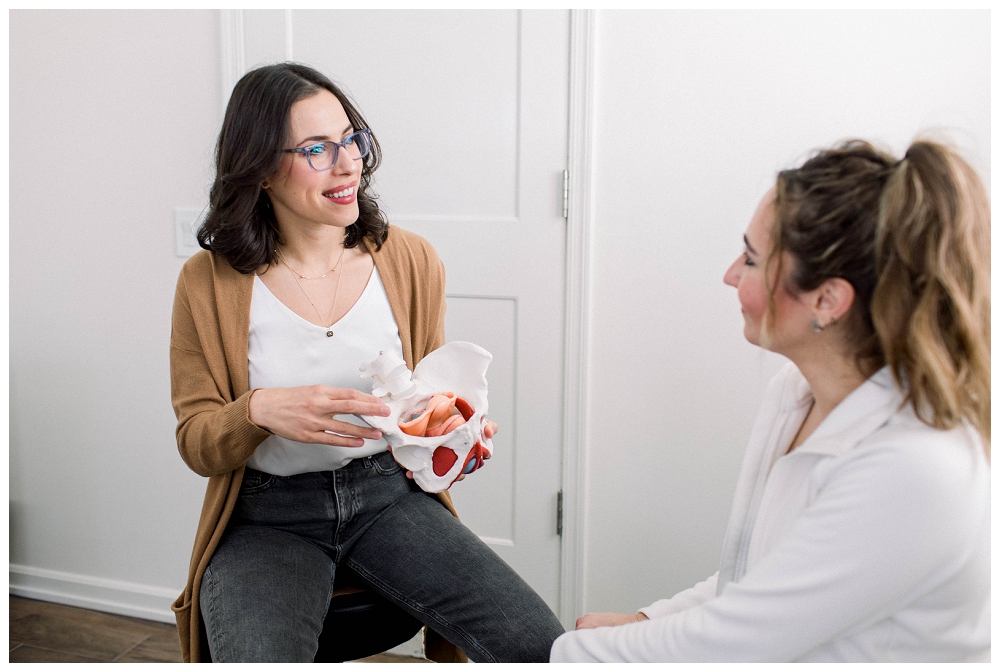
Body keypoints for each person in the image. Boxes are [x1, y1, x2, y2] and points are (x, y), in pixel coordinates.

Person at [169, 62, 563, 663]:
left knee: (539, 644)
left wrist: (450, 431)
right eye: (318, 149)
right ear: (261, 168)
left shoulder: (407, 258)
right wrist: (258, 411)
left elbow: (425, 398)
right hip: (267, 515)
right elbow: (198, 443)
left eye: (350, 139)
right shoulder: (208, 282)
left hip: (387, 498)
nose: (349, 162)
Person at [551, 140, 990, 662]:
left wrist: (569, 654)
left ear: (827, 300)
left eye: (752, 260)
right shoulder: (795, 392)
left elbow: (734, 645)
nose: (731, 274)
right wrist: (653, 618)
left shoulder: (912, 466)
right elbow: (763, 577)